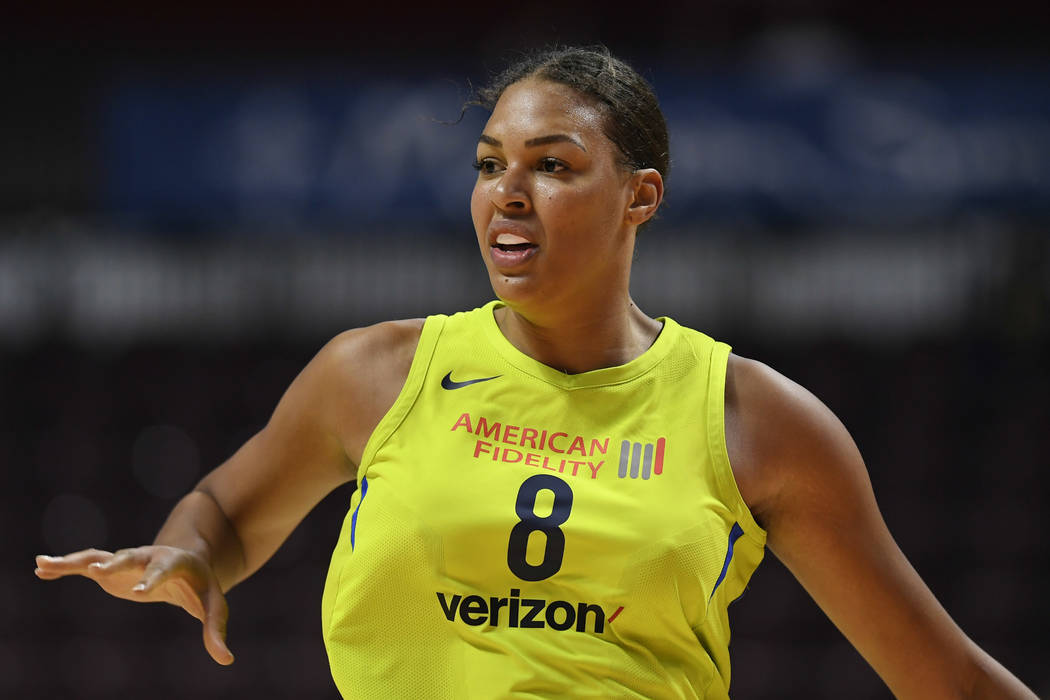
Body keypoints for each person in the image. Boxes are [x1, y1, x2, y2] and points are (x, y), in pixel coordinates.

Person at [35, 46, 1037, 699]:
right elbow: (223, 508)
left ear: (640, 194)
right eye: (487, 164)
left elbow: (943, 677)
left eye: (552, 165)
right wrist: (187, 556)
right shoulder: (377, 372)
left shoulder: (756, 419)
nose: (506, 192)